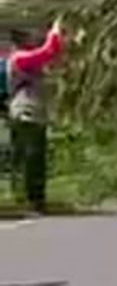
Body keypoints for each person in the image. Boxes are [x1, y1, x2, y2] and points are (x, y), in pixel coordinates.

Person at [3, 20, 65, 214]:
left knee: (34, 158)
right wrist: (55, 32)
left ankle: (33, 198)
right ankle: (33, 200)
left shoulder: (24, 59)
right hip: (25, 113)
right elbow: (48, 52)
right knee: (32, 158)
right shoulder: (20, 58)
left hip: (33, 113)